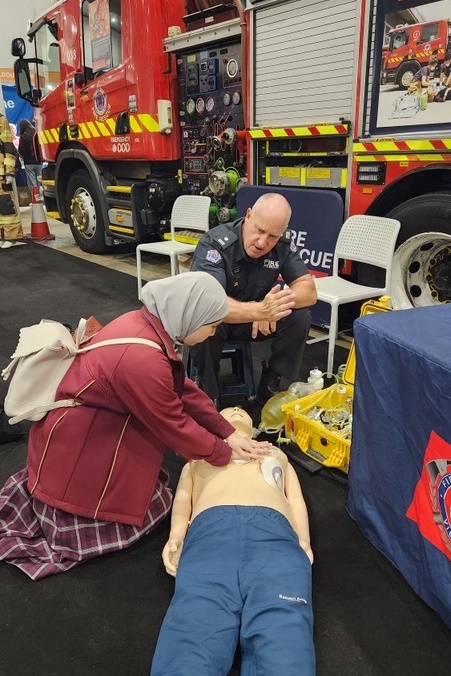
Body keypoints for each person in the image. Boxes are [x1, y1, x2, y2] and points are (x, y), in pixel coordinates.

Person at [0, 272, 271, 580]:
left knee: (157, 494)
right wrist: (223, 453)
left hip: (77, 433)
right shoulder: (143, 360)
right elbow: (175, 424)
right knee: (150, 509)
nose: (212, 334)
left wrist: (226, 429)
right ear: (189, 317)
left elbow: (179, 388)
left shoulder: (144, 323)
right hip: (82, 449)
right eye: (211, 325)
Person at [151, 406, 315, 676]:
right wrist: (177, 535)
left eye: (241, 410)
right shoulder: (197, 457)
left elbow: (295, 499)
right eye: (228, 410)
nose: (237, 409)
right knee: (194, 630)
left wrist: (304, 540)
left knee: (284, 638)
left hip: (275, 539)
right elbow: (182, 500)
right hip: (209, 538)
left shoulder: (275, 453)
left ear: (253, 428)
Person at [190, 192, 317, 406]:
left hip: (254, 322)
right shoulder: (215, 244)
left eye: (272, 236)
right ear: (248, 216)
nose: (262, 242)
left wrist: (272, 307)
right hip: (218, 320)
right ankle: (208, 395)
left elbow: (309, 291)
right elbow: (210, 302)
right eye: (259, 230)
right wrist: (260, 311)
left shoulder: (282, 246)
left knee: (300, 316)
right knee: (204, 319)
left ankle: (271, 382)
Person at [0, 113, 24, 249]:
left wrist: (9, 171)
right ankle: (2, 235)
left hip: (2, 173)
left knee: (6, 205)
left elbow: (8, 146)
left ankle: (12, 236)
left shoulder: (1, 120)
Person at [18, 118, 41, 191]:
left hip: (28, 162)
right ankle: (41, 196)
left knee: (32, 182)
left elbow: (21, 151)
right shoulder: (36, 133)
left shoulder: (23, 137)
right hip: (39, 161)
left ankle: (35, 198)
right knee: (40, 180)